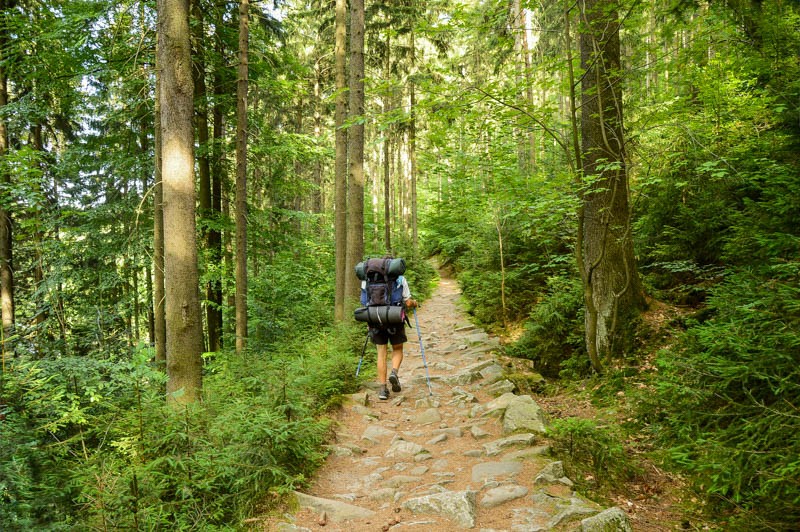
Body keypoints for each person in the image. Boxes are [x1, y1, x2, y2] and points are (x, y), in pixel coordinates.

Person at [362, 273, 417, 400]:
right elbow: (407, 303)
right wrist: (414, 303)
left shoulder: (368, 279)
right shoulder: (400, 278)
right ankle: (394, 372)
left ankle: (382, 389)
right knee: (397, 349)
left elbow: (364, 302)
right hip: (395, 318)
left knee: (381, 354)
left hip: (376, 319)